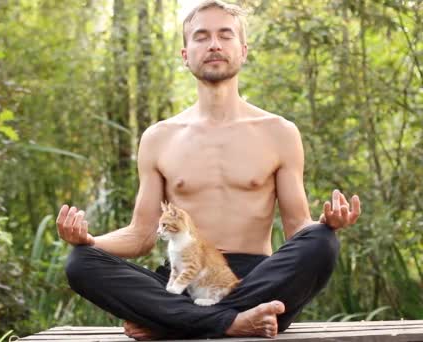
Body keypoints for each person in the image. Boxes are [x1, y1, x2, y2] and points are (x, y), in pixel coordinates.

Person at [56, 0, 361, 340]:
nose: (214, 44)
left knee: (321, 242)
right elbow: (141, 236)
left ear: (242, 50)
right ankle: (229, 322)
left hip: (254, 281)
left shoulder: (279, 132)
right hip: (184, 280)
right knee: (81, 263)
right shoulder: (159, 138)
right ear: (185, 55)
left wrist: (326, 225)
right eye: (201, 37)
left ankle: (174, 323)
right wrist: (89, 241)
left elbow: (297, 229)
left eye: (224, 35)